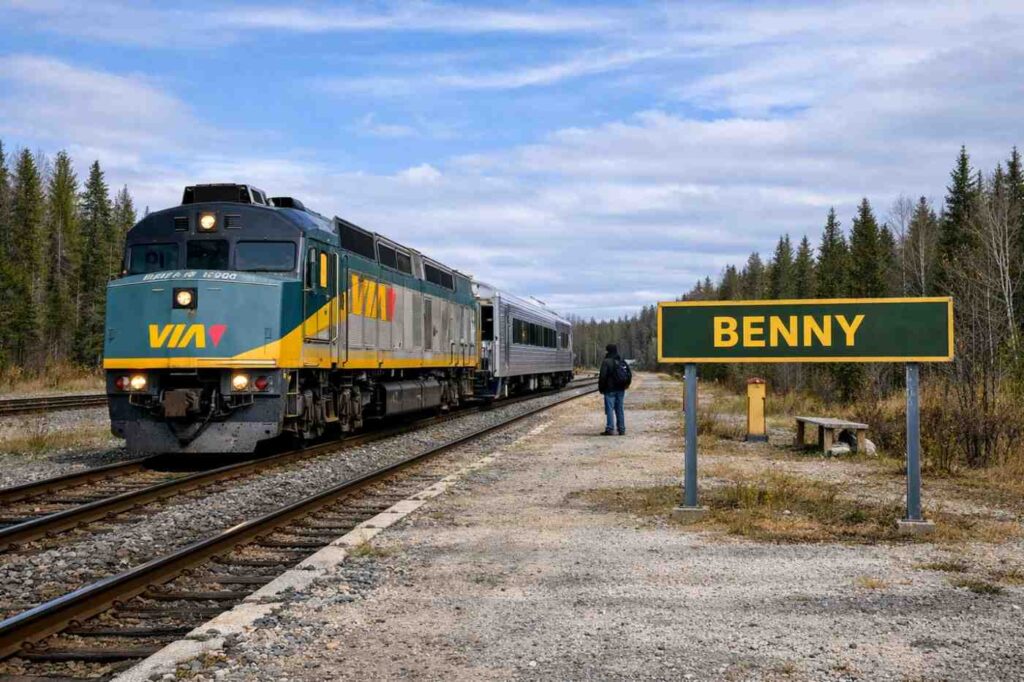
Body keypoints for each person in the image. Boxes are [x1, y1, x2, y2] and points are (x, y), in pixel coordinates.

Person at [598, 343, 631, 435]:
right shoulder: (621, 361)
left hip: (610, 390)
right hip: (621, 389)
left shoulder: (606, 361)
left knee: (609, 409)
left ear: (608, 351)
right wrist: (626, 385)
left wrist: (601, 388)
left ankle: (610, 428)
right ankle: (621, 429)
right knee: (619, 408)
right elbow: (629, 374)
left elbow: (602, 377)